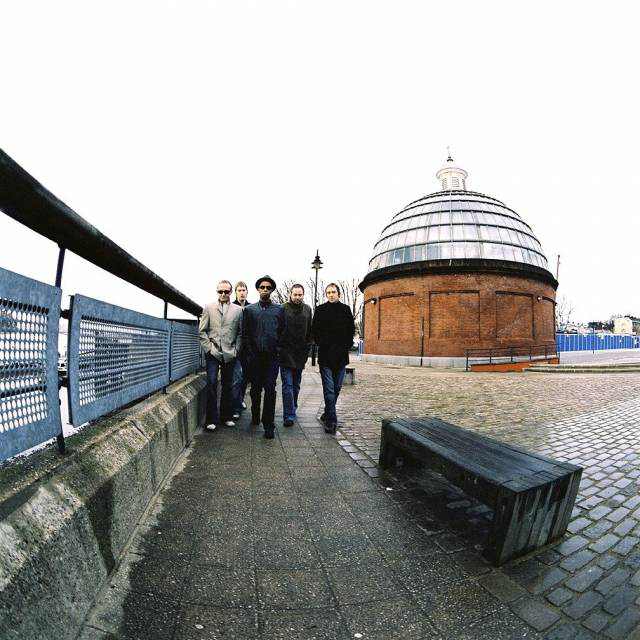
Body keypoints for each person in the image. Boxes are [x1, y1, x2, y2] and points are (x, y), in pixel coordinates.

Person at [242, 276, 285, 439]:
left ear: (272, 289)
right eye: (262, 287)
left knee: (270, 388)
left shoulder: (279, 310)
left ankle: (268, 425)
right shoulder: (250, 310)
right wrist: (249, 352)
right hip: (255, 357)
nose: (265, 289)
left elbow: (283, 331)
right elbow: (245, 333)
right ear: (258, 289)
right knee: (255, 389)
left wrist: (278, 349)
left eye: (268, 287)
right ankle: (255, 413)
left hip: (272, 357)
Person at [199, 280, 243, 431]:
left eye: (226, 291)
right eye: (220, 291)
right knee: (211, 383)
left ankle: (226, 417)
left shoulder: (238, 310)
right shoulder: (209, 307)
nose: (223, 294)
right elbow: (202, 331)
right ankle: (211, 419)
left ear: (231, 292)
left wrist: (236, 349)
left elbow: (240, 332)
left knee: (227, 384)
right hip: (213, 351)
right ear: (217, 292)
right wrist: (208, 348)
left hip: (229, 352)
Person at [312, 282, 355, 434]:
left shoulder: (346, 310)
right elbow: (315, 331)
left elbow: (351, 330)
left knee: (336, 388)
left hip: (341, 357)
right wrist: (323, 343)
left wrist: (346, 345)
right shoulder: (320, 310)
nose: (331, 295)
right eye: (328, 292)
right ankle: (331, 421)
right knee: (329, 390)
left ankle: (327, 412)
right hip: (326, 357)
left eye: (333, 292)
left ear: (339, 294)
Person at [279, 283, 313, 426]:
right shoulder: (283, 309)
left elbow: (310, 331)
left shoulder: (307, 309)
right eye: (295, 294)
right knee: (287, 385)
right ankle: (289, 415)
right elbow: (278, 329)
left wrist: (307, 350)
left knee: (296, 385)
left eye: (300, 295)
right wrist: (279, 349)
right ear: (290, 294)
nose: (297, 297)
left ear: (303, 295)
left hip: (300, 354)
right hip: (285, 353)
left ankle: (293, 407)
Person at [231, 281, 250, 419]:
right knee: (236, 377)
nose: (242, 292)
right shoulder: (231, 307)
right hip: (235, 347)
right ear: (236, 292)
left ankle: (240, 399)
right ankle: (235, 407)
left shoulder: (251, 308)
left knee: (245, 377)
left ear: (247, 292)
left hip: (248, 349)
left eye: (244, 290)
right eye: (239, 290)